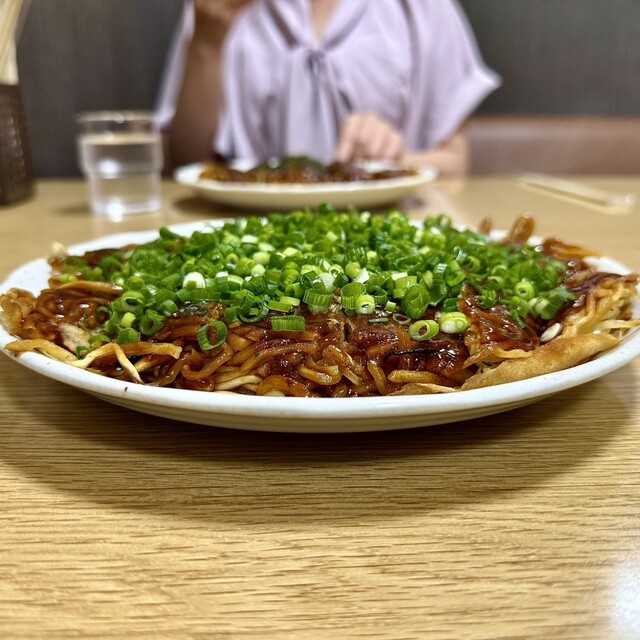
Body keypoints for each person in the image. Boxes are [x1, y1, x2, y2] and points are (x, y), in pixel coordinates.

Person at [156, 0, 500, 177]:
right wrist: (207, 41)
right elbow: (188, 163)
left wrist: (391, 162)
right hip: (239, 234)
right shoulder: (214, 9)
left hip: (392, 230)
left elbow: (455, 162)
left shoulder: (421, 8)